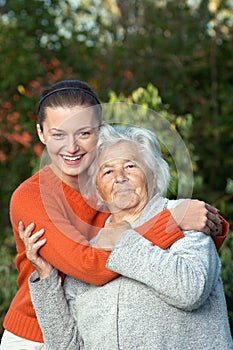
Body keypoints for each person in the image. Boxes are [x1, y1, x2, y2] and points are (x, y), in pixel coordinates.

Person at [0, 80, 228, 350]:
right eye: (58, 134)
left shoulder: (123, 201)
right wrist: (171, 224)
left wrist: (196, 222)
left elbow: (189, 284)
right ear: (41, 133)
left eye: (130, 166)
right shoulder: (36, 198)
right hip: (31, 332)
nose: (71, 147)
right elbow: (88, 268)